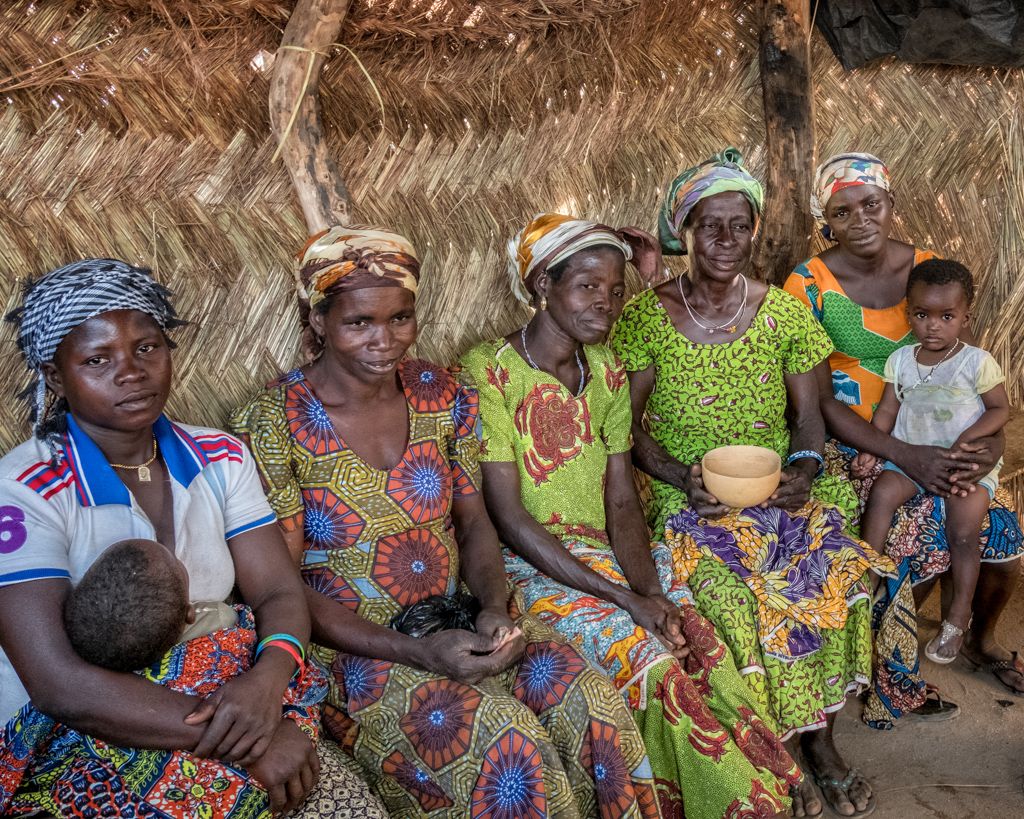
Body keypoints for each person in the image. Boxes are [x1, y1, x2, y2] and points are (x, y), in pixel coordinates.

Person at [231, 226, 661, 818]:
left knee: (591, 702)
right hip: (355, 649)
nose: (385, 341)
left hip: (460, 619)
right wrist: (418, 653)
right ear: (318, 322)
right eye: (359, 322)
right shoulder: (272, 422)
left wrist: (490, 607)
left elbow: (474, 522)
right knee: (511, 752)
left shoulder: (440, 393)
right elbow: (281, 586)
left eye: (400, 318)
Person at [0, 259, 382, 818]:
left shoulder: (220, 457)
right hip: (92, 724)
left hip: (238, 693)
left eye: (148, 348)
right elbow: (61, 685)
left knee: (345, 806)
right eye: (97, 359)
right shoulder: (25, 488)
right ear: (56, 376)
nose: (131, 373)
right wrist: (243, 741)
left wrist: (268, 682)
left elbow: (277, 592)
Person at [461, 212, 802, 819]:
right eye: (588, 286)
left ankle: (765, 776)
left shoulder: (608, 374)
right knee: (651, 664)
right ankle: (732, 805)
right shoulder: (490, 370)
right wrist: (626, 600)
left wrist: (650, 590)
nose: (608, 303)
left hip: (610, 556)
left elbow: (621, 502)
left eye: (617, 290)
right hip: (534, 567)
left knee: (698, 639)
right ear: (543, 284)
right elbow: (508, 517)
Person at [610, 149, 894, 819]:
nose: (726, 242)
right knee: (731, 600)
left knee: (827, 571)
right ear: (684, 231)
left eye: (740, 226)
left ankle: (820, 742)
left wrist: (804, 469)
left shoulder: (784, 314)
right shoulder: (648, 317)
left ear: (755, 230)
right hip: (692, 493)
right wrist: (680, 475)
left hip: (778, 485)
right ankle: (770, 752)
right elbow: (626, 428)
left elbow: (808, 417)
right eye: (710, 226)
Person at [784, 152, 1024, 723]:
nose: (861, 219)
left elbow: (971, 367)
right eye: (843, 211)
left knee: (1004, 531)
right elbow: (815, 400)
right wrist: (900, 454)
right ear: (827, 222)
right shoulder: (806, 284)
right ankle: (889, 666)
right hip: (856, 443)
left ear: (891, 205)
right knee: (907, 537)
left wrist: (983, 449)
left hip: (944, 438)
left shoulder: (931, 271)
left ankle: (975, 638)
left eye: (872, 203)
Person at [0, 538, 330, 816]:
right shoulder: (224, 638)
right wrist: (250, 735)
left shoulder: (86, 675)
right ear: (190, 614)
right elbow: (295, 697)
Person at [852, 259, 1009, 664]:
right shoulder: (901, 360)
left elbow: (998, 410)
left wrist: (966, 441)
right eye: (922, 315)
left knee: (963, 530)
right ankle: (866, 576)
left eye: (946, 316)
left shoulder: (976, 361)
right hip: (912, 456)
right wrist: (874, 448)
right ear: (909, 314)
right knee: (882, 494)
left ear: (964, 317)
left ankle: (957, 618)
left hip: (965, 463)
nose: (933, 326)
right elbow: (887, 411)